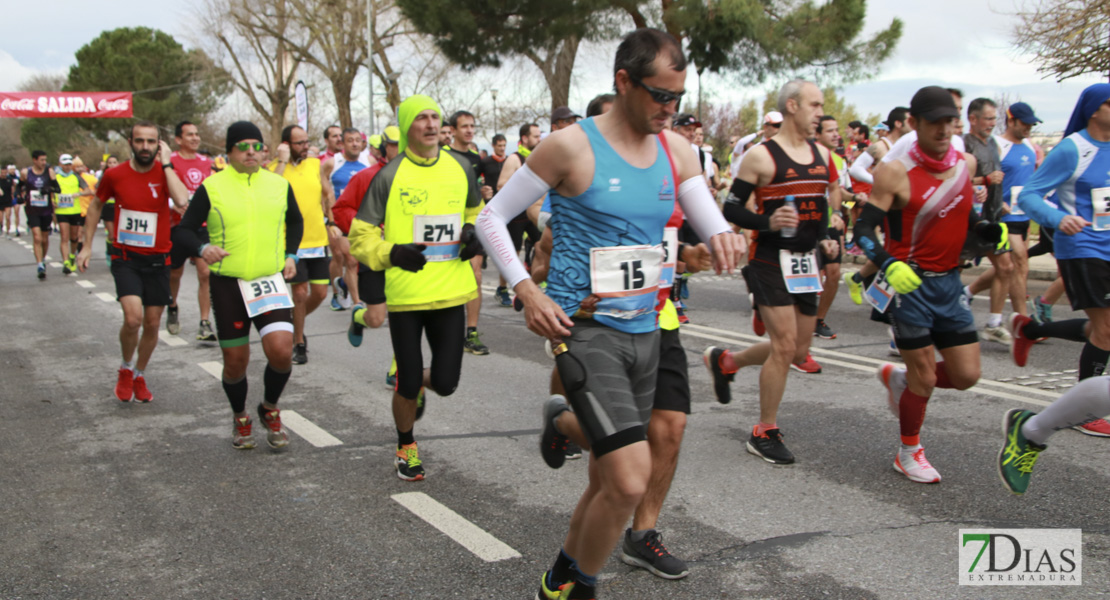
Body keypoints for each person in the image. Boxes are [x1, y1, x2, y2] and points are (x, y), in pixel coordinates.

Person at [477, 28, 740, 600]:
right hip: (585, 328)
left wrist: (723, 238)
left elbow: (706, 215)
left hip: (648, 328)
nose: (670, 110)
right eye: (659, 95)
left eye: (679, 98)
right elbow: (491, 218)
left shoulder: (677, 150)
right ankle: (582, 585)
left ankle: (562, 576)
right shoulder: (570, 146)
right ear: (623, 82)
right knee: (627, 478)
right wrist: (527, 290)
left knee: (605, 479)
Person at [857, 86, 1006, 483]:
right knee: (925, 376)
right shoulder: (895, 172)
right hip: (909, 287)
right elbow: (864, 229)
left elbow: (962, 208)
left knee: (966, 376)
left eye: (950, 121)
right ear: (915, 124)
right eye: (934, 122)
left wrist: (986, 228)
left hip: (950, 284)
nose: (944, 130)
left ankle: (902, 383)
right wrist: (888, 264)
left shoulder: (965, 163)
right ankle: (908, 451)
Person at [349, 95, 484, 482]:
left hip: (451, 292)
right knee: (408, 379)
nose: (429, 124)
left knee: (445, 382)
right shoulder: (389, 175)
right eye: (421, 118)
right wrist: (392, 253)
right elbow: (360, 236)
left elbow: (476, 211)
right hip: (407, 296)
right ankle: (405, 444)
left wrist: (474, 232)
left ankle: (416, 388)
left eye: (434, 117)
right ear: (408, 127)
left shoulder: (461, 167)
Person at [709, 79, 842, 466]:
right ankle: (764, 430)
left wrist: (827, 240)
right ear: (793, 105)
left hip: (805, 261)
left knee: (799, 349)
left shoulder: (821, 155)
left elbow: (818, 208)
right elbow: (732, 210)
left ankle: (727, 362)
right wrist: (766, 221)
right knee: (784, 346)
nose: (820, 112)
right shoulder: (761, 156)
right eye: (815, 105)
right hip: (769, 259)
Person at [172, 121, 303, 449]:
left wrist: (291, 255)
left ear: (264, 151)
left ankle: (269, 407)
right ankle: (240, 414)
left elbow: (295, 220)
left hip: (269, 281)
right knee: (235, 362)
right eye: (242, 146)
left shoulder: (278, 185)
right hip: (229, 284)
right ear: (228, 152)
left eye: (256, 146)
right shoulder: (212, 187)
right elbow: (184, 230)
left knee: (282, 352)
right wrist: (203, 248)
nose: (250, 152)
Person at [1011, 83, 1110, 437]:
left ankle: (1031, 328)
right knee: (1107, 329)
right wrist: (1057, 219)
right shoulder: (1073, 149)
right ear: (1094, 109)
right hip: (1083, 248)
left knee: (1102, 331)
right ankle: (1085, 412)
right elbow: (1030, 195)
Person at [77, 120, 189, 402]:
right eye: (140, 141)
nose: (145, 147)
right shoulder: (115, 175)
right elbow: (95, 206)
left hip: (159, 259)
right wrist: (86, 246)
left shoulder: (165, 173)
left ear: (159, 145)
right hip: (126, 257)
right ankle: (126, 368)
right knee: (133, 319)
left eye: (151, 142)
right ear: (130, 142)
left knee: (152, 324)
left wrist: (166, 165)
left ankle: (139, 373)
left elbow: (181, 199)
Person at [270, 125, 333, 365]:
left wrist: (332, 221)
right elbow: (270, 192)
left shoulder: (314, 165)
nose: (305, 147)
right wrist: (282, 162)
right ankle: (299, 342)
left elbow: (327, 195)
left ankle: (295, 321)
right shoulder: (274, 168)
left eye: (307, 142)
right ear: (286, 145)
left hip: (317, 239)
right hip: (292, 241)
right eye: (300, 143)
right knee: (299, 292)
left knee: (319, 293)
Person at [962, 98, 1017, 345]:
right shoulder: (964, 144)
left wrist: (1000, 202)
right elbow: (957, 180)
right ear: (972, 119)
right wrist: (983, 181)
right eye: (988, 118)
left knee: (1005, 267)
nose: (992, 124)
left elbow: (996, 179)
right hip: (970, 219)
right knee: (946, 269)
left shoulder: (993, 143)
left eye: (995, 119)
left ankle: (994, 323)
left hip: (992, 218)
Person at [447, 110, 495, 355]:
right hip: (445, 224)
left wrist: (485, 194)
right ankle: (445, 330)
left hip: (471, 224)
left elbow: (478, 190)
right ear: (453, 130)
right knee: (448, 279)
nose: (469, 130)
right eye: (464, 126)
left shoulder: (478, 159)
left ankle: (471, 333)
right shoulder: (443, 156)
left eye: (472, 126)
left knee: (475, 276)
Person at [168, 120, 217, 341]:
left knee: (205, 273)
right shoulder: (169, 162)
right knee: (175, 273)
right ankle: (172, 305)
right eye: (190, 135)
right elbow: (163, 189)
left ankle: (204, 322)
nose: (195, 138)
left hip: (202, 225)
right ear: (179, 139)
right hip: (177, 225)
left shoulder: (207, 163)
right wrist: (173, 204)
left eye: (197, 134)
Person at [493, 122, 543, 306]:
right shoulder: (514, 159)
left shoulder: (538, 158)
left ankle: (531, 286)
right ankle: (503, 288)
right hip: (516, 214)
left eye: (539, 136)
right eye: (536, 136)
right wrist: (523, 192)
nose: (539, 139)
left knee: (541, 247)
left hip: (534, 211)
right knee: (512, 253)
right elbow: (500, 185)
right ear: (524, 139)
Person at [323, 127, 369, 312]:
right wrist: (331, 221)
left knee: (361, 260)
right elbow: (326, 195)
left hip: (362, 219)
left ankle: (343, 282)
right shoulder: (330, 164)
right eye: (350, 140)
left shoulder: (369, 161)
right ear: (342, 144)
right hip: (339, 219)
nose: (355, 144)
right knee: (346, 258)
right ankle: (356, 301)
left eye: (358, 140)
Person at [19, 151, 59, 279]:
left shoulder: (49, 172)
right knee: (37, 237)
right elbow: (20, 187)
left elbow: (58, 189)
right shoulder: (26, 173)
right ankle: (40, 264)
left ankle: (42, 258)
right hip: (32, 210)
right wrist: (19, 197)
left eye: (45, 160)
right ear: (34, 160)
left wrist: (49, 189)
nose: (44, 163)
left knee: (44, 239)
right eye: (41, 160)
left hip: (46, 210)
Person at [53, 154, 93, 275]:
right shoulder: (55, 177)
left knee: (74, 237)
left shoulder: (76, 177)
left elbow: (88, 190)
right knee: (64, 237)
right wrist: (53, 202)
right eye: (65, 164)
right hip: (61, 211)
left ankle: (71, 256)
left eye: (69, 164)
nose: (67, 166)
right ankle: (65, 262)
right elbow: (50, 191)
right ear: (60, 165)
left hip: (75, 211)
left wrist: (78, 194)